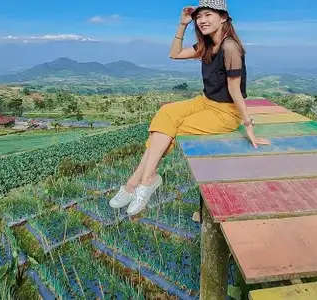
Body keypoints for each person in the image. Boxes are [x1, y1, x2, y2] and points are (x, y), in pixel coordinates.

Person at [109, 0, 270, 216]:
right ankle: (140, 180)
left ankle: (140, 181)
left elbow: (235, 90)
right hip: (204, 101)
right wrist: (183, 24)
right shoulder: (207, 45)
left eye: (208, 15)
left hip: (225, 112)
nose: (202, 20)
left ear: (223, 17)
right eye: (199, 16)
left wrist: (248, 125)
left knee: (172, 128)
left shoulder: (230, 47)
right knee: (166, 113)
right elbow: (174, 54)